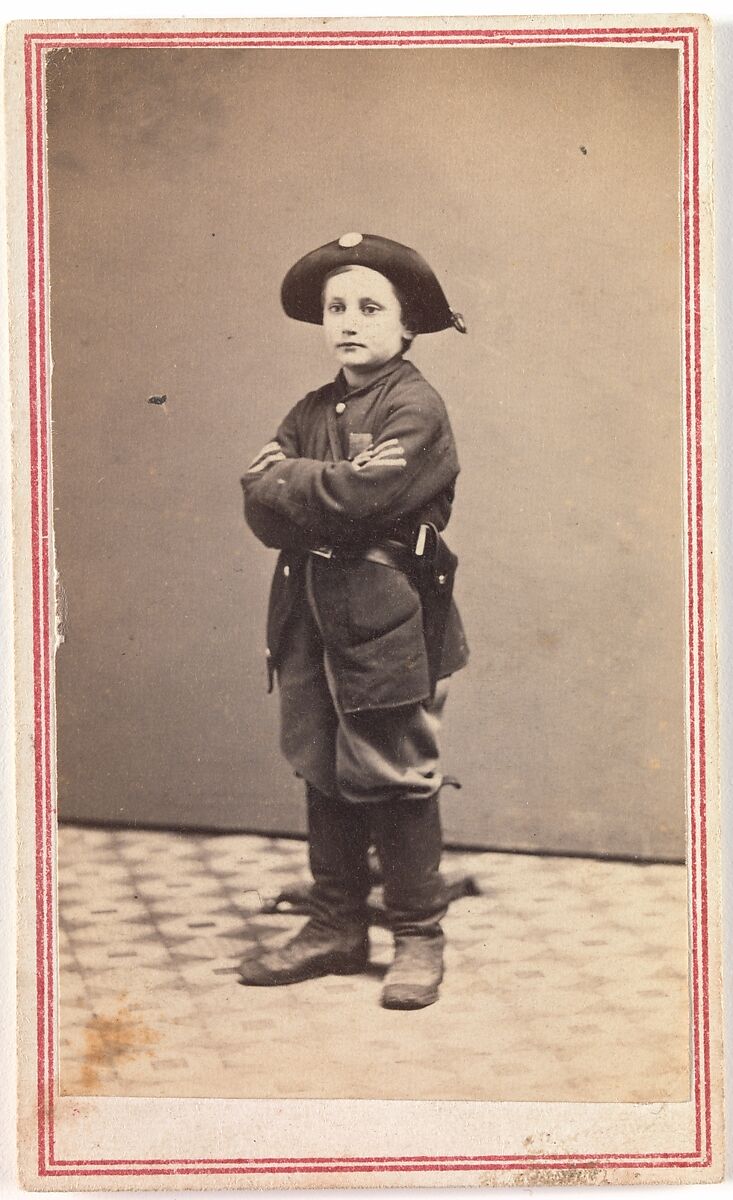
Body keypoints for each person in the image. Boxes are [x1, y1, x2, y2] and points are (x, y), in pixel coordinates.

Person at [238, 232, 468, 1009]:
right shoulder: (310, 409)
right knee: (322, 764)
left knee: (394, 774)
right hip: (306, 615)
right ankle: (336, 924)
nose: (349, 320)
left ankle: (417, 935)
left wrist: (298, 484)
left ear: (407, 327)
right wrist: (322, 486)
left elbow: (361, 501)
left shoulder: (414, 405)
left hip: (387, 618)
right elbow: (258, 505)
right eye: (337, 307)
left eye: (370, 307)